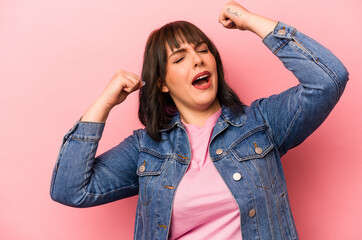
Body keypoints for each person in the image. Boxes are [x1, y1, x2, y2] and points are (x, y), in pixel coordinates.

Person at [50, 1, 349, 239]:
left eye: (203, 50)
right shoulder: (147, 148)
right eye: (179, 58)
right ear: (162, 84)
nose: (198, 59)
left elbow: (329, 79)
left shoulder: (262, 123)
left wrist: (250, 21)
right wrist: (104, 103)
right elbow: (70, 189)